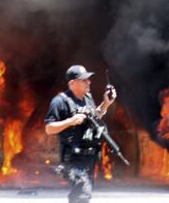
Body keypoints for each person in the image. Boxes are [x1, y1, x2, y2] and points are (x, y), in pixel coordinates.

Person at [44, 65, 116, 203]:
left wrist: (106, 103)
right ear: (72, 83)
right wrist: (70, 121)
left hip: (89, 156)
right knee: (82, 196)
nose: (88, 82)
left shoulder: (87, 98)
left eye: (88, 79)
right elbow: (49, 128)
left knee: (83, 194)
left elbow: (95, 117)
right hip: (73, 157)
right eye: (84, 80)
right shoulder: (60, 102)